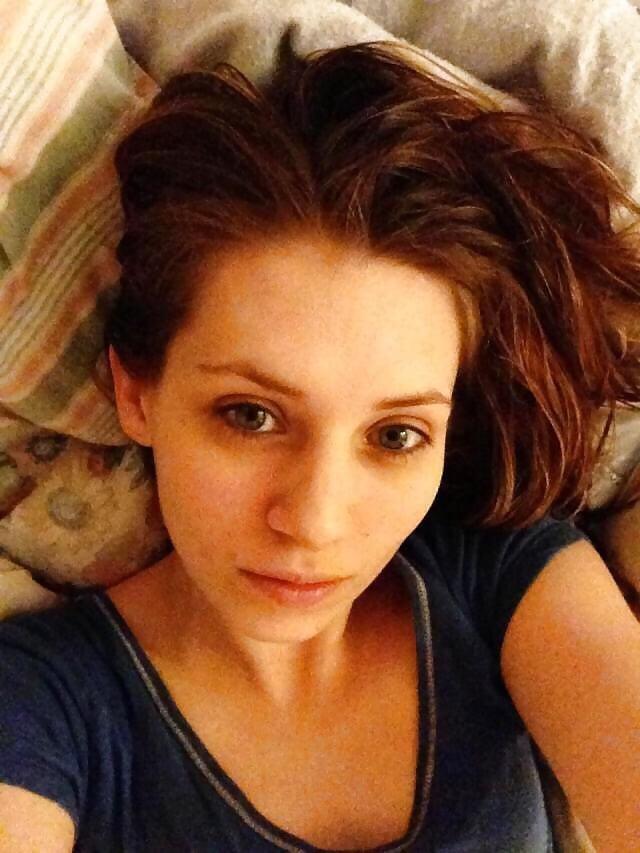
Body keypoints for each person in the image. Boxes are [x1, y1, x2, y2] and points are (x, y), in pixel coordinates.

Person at [0, 41, 639, 852]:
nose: (314, 520)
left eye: (396, 435)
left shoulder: (504, 577)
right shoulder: (39, 702)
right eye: (250, 416)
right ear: (138, 392)